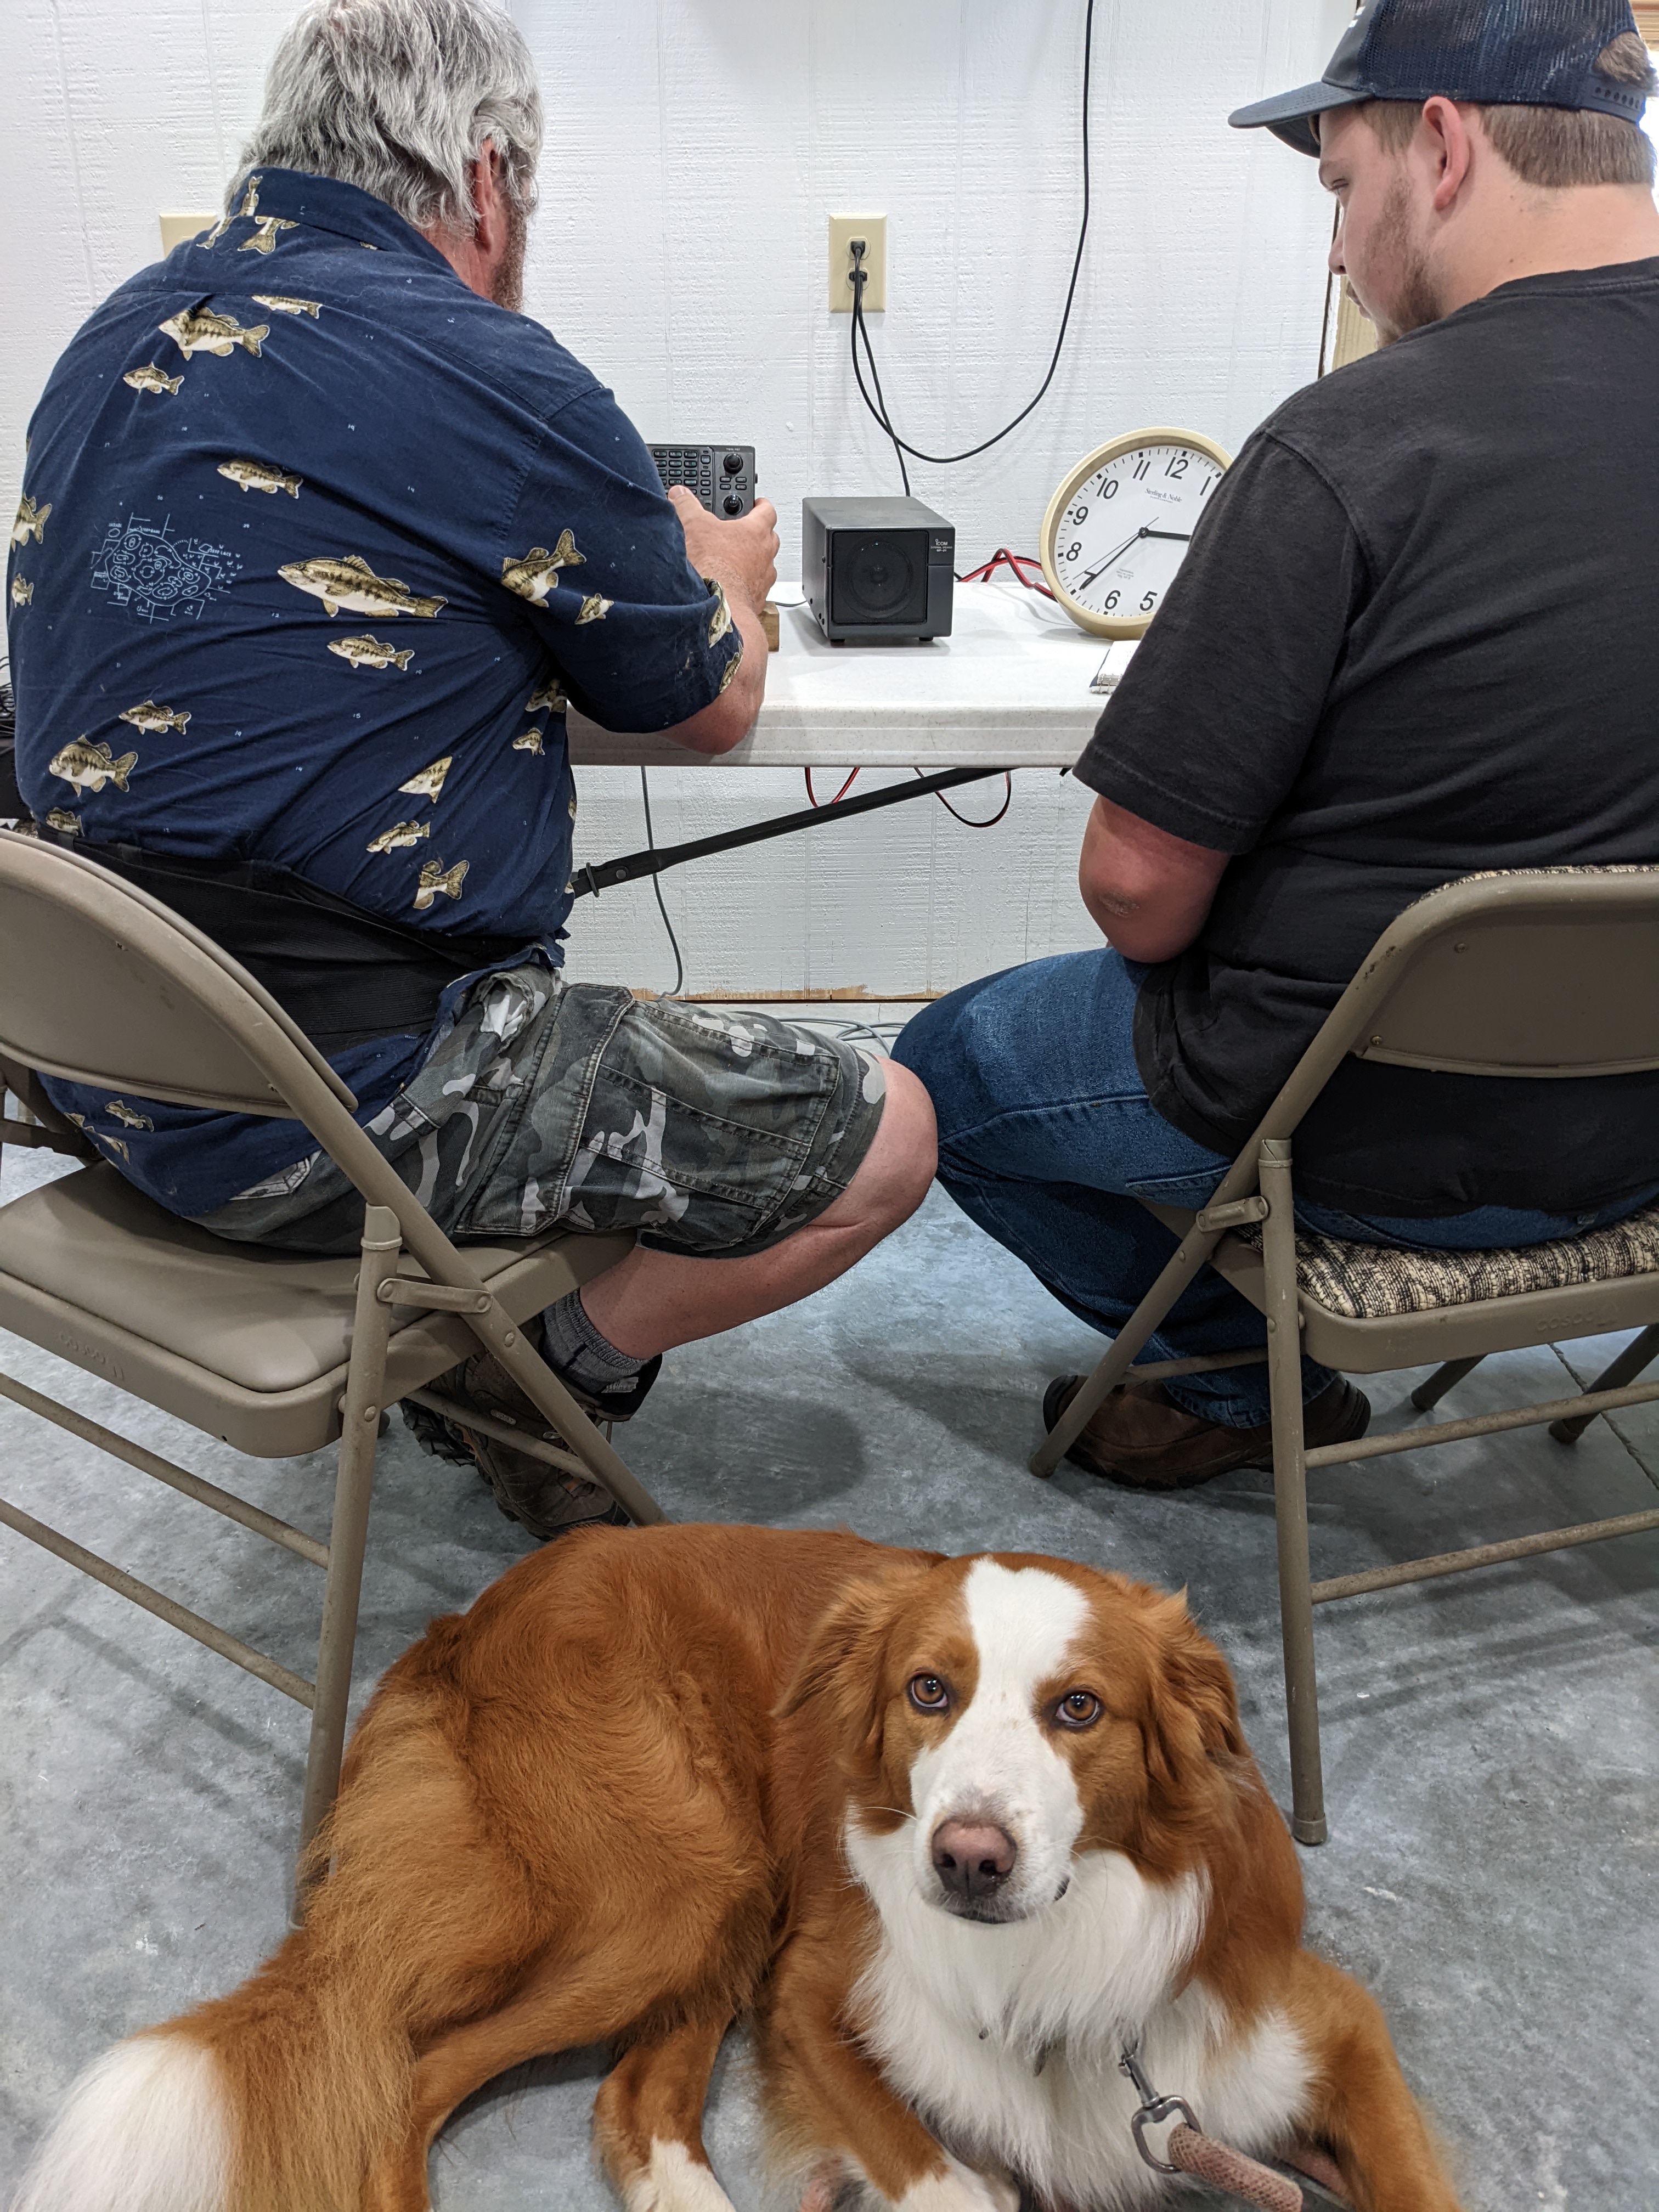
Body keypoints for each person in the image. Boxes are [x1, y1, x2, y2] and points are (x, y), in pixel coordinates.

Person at [4, 0, 935, 1538]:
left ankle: (506, 1339)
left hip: (99, 1073)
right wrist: (733, 580)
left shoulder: (110, 336)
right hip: (341, 1111)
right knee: (893, 1134)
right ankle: (549, 1365)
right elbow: (707, 706)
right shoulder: (492, 367)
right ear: (489, 180)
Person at [895, 0, 1659, 1492]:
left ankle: (1237, 1391)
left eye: (1336, 189)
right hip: (1646, 1139)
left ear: (1438, 147)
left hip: (1353, 1136)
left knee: (939, 1077)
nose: (1332, 249)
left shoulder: (1351, 446)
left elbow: (1136, 892)